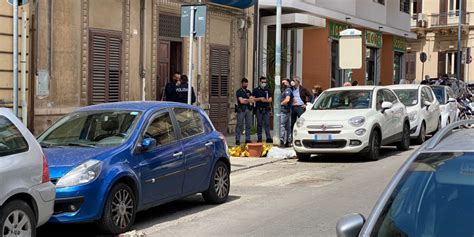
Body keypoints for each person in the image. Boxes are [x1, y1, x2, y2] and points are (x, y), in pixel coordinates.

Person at [252, 76, 273, 143]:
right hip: (259, 109)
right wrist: (260, 99)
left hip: (266, 109)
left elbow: (270, 99)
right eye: (262, 82)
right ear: (260, 82)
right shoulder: (256, 90)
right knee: (259, 124)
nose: (264, 83)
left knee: (267, 124)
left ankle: (268, 137)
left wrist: (265, 100)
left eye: (265, 82)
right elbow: (253, 99)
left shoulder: (267, 90)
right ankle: (259, 138)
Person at [235, 78, 254, 146]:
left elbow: (252, 100)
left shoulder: (249, 91)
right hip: (241, 110)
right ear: (242, 83)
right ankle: (237, 139)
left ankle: (247, 139)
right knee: (239, 125)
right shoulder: (239, 91)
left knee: (248, 125)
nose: (246, 84)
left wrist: (246, 100)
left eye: (247, 83)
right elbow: (241, 101)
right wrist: (248, 100)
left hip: (248, 110)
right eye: (245, 83)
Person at [280, 78, 293, 147]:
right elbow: (293, 100)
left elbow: (287, 100)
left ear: (288, 83)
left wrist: (280, 104)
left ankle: (281, 140)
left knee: (282, 125)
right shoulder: (286, 90)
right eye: (282, 83)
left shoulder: (287, 90)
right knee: (288, 127)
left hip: (284, 111)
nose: (283, 84)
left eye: (284, 83)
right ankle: (288, 141)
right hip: (287, 111)